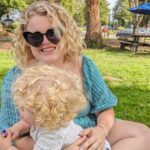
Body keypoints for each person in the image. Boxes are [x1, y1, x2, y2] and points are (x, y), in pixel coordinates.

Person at [0, 1, 150, 150]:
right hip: (46, 140)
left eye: (53, 33)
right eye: (35, 37)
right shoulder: (17, 76)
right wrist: (66, 146)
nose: (45, 42)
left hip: (88, 131)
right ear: (26, 41)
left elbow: (105, 108)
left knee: (143, 134)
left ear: (66, 33)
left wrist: (101, 130)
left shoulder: (82, 64)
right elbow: (12, 137)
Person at [0, 65, 111, 150]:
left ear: (43, 116)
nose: (20, 110)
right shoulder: (46, 121)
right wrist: (15, 129)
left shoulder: (51, 135)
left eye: (25, 109)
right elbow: (27, 123)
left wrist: (8, 148)